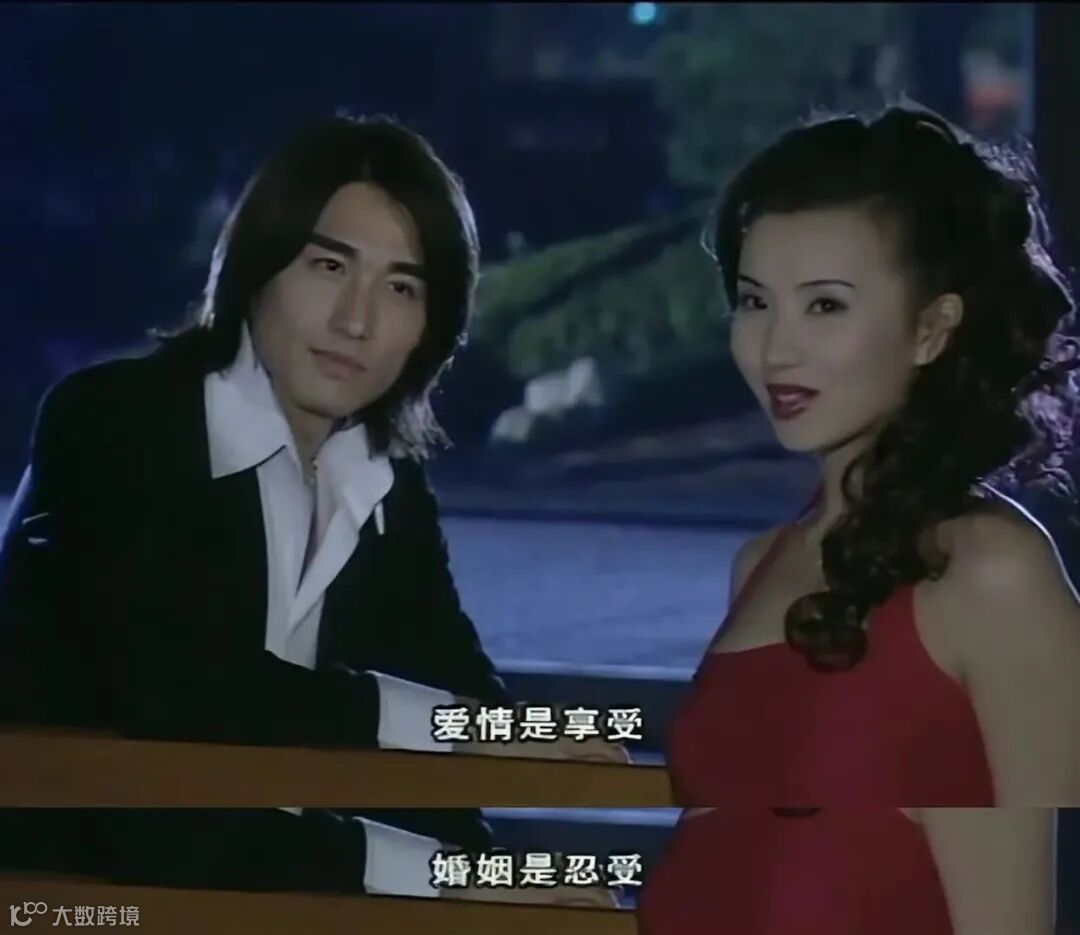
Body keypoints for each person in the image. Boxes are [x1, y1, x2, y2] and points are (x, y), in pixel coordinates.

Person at [0, 113, 621, 899]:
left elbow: (453, 690)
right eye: (329, 266)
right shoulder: (115, 422)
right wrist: (451, 864)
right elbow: (180, 694)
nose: (356, 321)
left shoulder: (385, 480)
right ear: (257, 266)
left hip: (288, 882)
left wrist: (500, 852)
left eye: (401, 287)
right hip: (82, 894)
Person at [638, 103, 1080, 934]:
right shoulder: (760, 565)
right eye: (754, 301)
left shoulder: (992, 573)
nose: (776, 349)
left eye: (825, 306)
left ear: (932, 328)